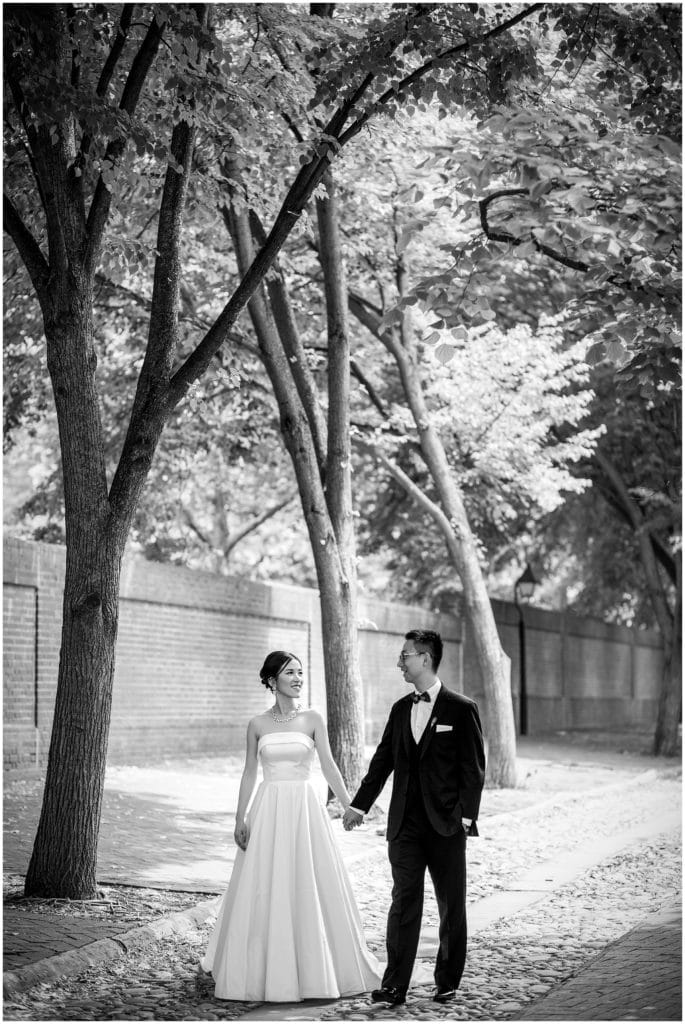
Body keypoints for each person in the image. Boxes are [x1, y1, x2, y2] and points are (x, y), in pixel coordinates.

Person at [201, 650, 381, 1002]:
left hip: (303, 809)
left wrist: (351, 806)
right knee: (264, 885)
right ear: (271, 681)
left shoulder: (312, 719)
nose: (298, 678)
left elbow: (329, 766)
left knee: (307, 882)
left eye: (300, 672)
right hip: (267, 810)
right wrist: (239, 817)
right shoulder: (257, 724)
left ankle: (317, 969)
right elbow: (250, 771)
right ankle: (259, 971)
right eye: (289, 673)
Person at [343, 629, 485, 1007]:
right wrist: (359, 805)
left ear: (425, 658)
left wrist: (467, 817)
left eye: (405, 656)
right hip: (404, 824)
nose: (399, 662)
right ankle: (394, 986)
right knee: (404, 902)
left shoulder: (461, 708)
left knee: (450, 905)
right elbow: (383, 760)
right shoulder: (400, 708)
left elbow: (473, 769)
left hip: (446, 825)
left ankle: (447, 981)